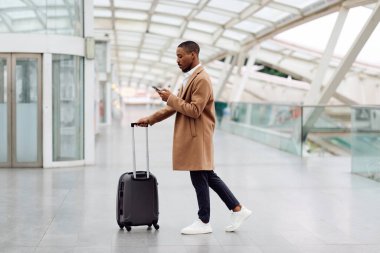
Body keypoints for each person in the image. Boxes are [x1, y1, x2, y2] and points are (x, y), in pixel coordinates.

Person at [136, 41, 252, 235]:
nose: (177, 60)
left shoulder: (202, 80)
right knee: (208, 176)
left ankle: (204, 221)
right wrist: (150, 119)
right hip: (195, 134)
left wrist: (171, 97)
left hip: (198, 135)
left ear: (194, 55)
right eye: (177, 56)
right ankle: (238, 209)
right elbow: (174, 106)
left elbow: (195, 110)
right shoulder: (190, 78)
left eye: (181, 56)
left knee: (199, 176)